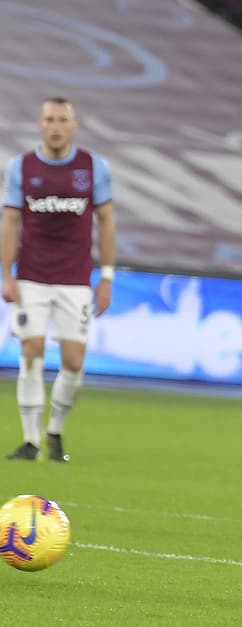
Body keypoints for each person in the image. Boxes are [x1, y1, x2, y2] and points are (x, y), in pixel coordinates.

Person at [1, 97, 115, 463]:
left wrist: (107, 277)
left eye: (62, 120)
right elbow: (11, 221)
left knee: (73, 361)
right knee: (31, 352)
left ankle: (55, 432)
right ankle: (31, 440)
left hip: (75, 279)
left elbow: (107, 222)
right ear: (40, 124)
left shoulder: (93, 168)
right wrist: (6, 273)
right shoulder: (21, 167)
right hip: (32, 276)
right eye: (49, 119)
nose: (55, 126)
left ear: (74, 125)